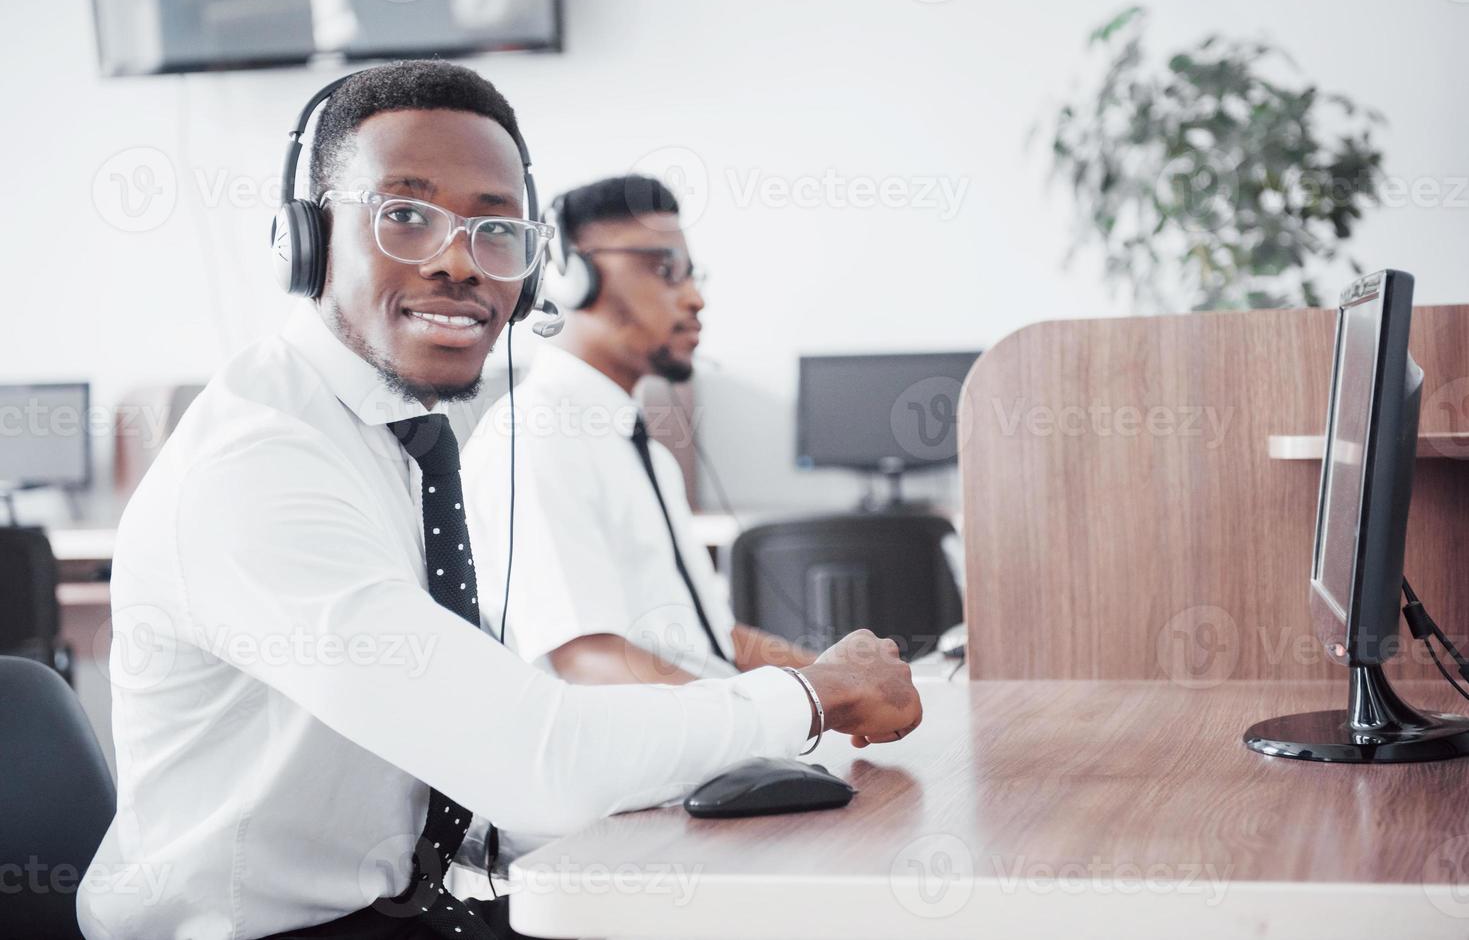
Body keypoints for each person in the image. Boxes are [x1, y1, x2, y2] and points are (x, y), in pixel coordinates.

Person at [78, 61, 921, 940]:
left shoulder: (397, 437)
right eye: (404, 214)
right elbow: (539, 763)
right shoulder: (259, 468)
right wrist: (811, 699)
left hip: (409, 905)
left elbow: (514, 759)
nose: (457, 261)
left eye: (495, 230)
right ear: (307, 239)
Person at [463, 176, 817, 684]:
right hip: (648, 757)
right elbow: (589, 664)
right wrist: (786, 713)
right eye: (665, 270)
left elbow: (711, 638)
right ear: (571, 279)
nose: (696, 298)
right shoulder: (536, 441)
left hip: (709, 740)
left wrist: (836, 680)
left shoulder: (639, 446)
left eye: (694, 275)